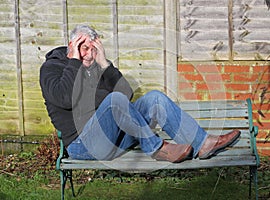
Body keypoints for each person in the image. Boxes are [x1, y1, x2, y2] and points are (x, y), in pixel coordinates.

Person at [40, 24, 240, 163]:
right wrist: (75, 61)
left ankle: (203, 143)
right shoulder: (52, 68)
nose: (88, 54)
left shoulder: (95, 66)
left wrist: (104, 64)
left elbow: (126, 96)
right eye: (84, 48)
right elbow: (65, 97)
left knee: (154, 98)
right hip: (83, 145)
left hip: (115, 141)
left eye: (93, 49)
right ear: (72, 46)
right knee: (113, 100)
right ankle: (157, 148)